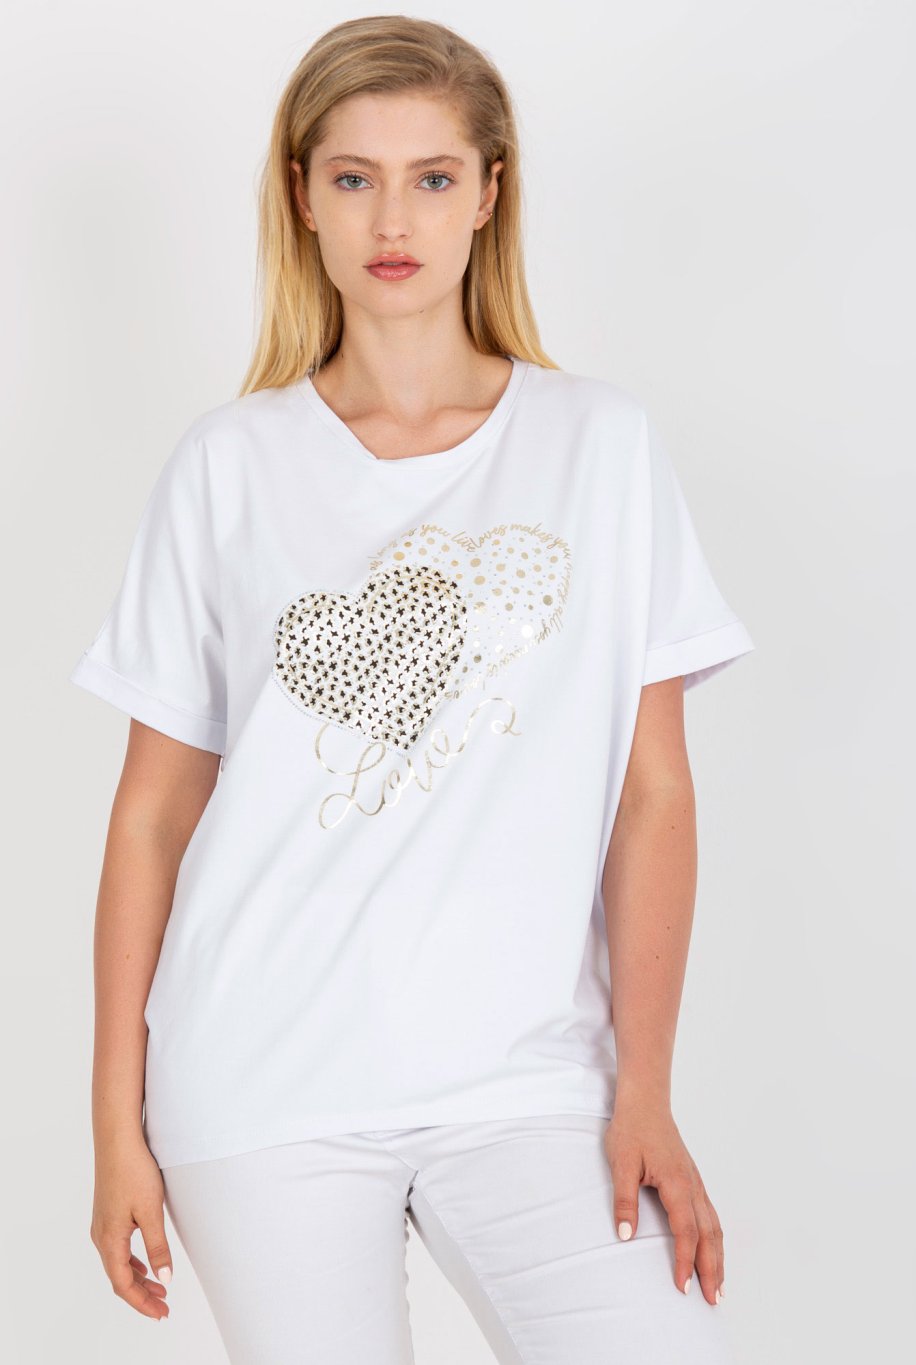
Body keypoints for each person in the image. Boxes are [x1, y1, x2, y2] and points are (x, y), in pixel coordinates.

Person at [70, 15, 755, 1364]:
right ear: (302, 196)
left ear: (490, 193)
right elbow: (150, 816)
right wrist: (112, 1129)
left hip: (532, 1079)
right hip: (262, 1082)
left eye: (433, 177)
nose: (394, 219)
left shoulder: (600, 448)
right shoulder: (227, 467)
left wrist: (647, 1089)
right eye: (354, 177)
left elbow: (652, 793)